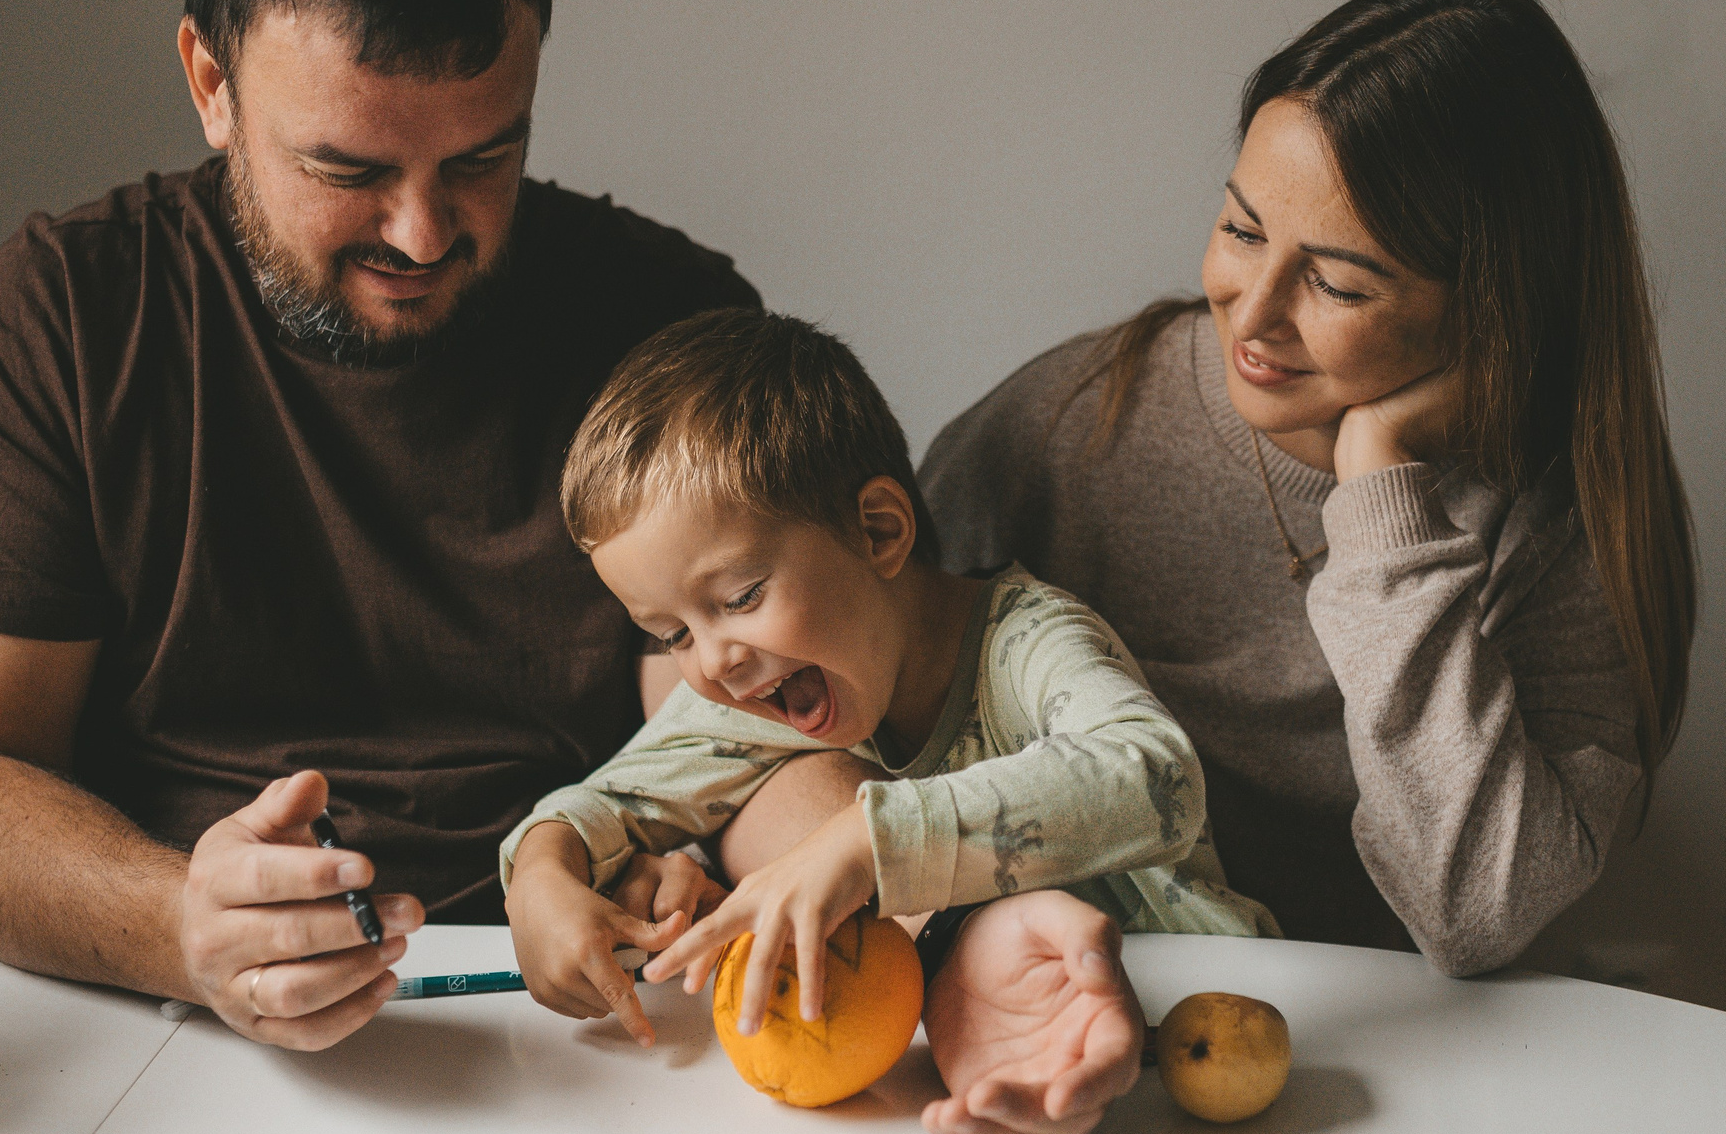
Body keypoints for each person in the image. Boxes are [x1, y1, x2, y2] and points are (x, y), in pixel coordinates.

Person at [0, 0, 1147, 1134]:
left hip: (601, 1034)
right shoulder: (63, 316)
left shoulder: (665, 323)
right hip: (164, 1034)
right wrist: (184, 922)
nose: (422, 232)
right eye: (347, 169)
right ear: (210, 79)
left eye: (482, 158)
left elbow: (756, 728)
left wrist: (865, 910)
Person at [920, 0, 1699, 974]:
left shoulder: (1550, 523)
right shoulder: (1067, 423)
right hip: (1063, 993)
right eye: (1243, 230)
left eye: (1336, 282)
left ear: (1488, 306)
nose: (1250, 314)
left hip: (1390, 1048)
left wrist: (1378, 494)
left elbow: (1475, 914)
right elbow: (830, 702)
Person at [500, 310, 1268, 1045]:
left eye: (739, 598)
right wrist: (541, 873)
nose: (711, 661)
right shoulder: (760, 687)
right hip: (1009, 1036)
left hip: (1206, 1003)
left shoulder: (1029, 639)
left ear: (879, 531)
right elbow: (615, 799)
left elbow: (1157, 779)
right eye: (672, 634)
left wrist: (867, 842)